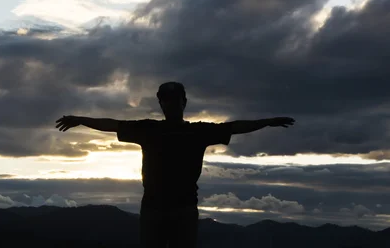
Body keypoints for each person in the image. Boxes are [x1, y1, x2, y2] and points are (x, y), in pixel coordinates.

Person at [55, 81, 295, 248]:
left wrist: (267, 122)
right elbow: (113, 124)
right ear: (161, 103)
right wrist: (81, 120)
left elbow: (235, 127)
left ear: (184, 102)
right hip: (154, 209)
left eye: (174, 100)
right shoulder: (149, 129)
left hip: (183, 209)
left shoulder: (198, 132)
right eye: (166, 100)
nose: (170, 104)